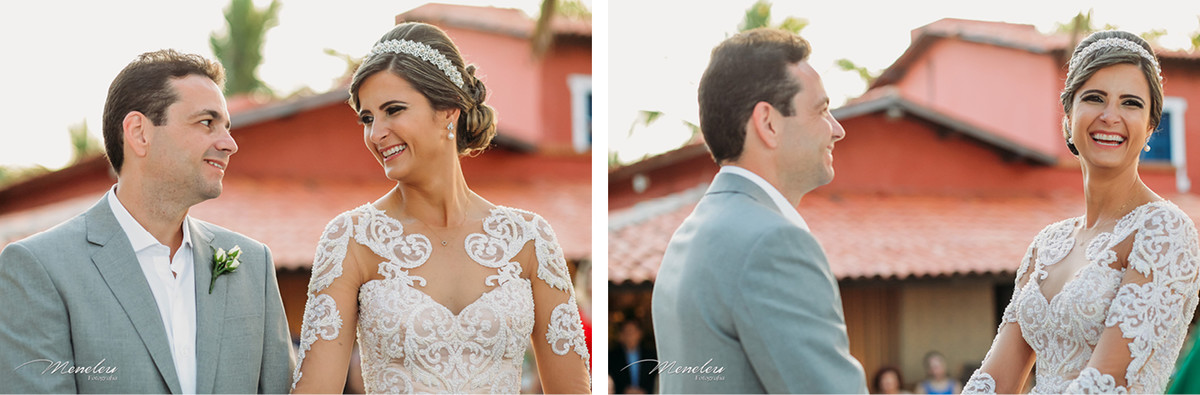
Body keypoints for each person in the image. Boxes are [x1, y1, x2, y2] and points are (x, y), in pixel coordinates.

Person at [288, 22, 590, 393]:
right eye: (367, 118)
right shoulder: (351, 240)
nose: (375, 133)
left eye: (393, 110)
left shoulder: (530, 240)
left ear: (448, 111)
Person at [0, 49, 294, 393]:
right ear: (139, 132)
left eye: (226, 127)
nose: (229, 143)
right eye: (206, 122)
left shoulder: (252, 264)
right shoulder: (39, 269)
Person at [963, 30, 1200, 394]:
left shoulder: (1164, 230)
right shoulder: (1047, 245)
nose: (1110, 116)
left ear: (1151, 125)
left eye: (1131, 103)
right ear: (1068, 116)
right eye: (1094, 98)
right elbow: (994, 379)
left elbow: (1106, 384)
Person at [650, 28, 867, 393]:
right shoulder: (773, 244)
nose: (837, 129)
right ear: (768, 123)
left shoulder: (690, 235)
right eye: (822, 110)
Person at [610, 319, 657, 394]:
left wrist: (645, 391)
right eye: (627, 332)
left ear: (640, 334)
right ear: (621, 336)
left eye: (633, 332)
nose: (630, 335)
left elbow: (654, 379)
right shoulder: (612, 357)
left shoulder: (651, 355)